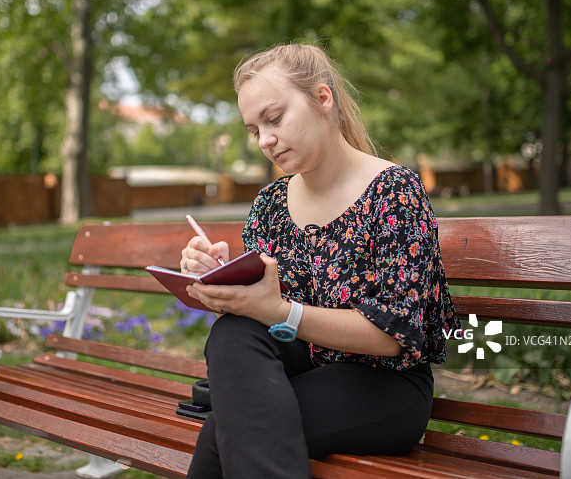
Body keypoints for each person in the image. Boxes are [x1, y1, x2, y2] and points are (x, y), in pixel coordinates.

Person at [179, 42, 460, 479]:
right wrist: (222, 280)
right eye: (254, 130)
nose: (266, 140)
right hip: (307, 368)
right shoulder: (272, 202)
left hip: (385, 385)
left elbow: (392, 338)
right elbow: (262, 313)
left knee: (223, 431)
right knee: (232, 332)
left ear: (323, 99)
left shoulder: (393, 192)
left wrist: (280, 311)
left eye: (274, 118)